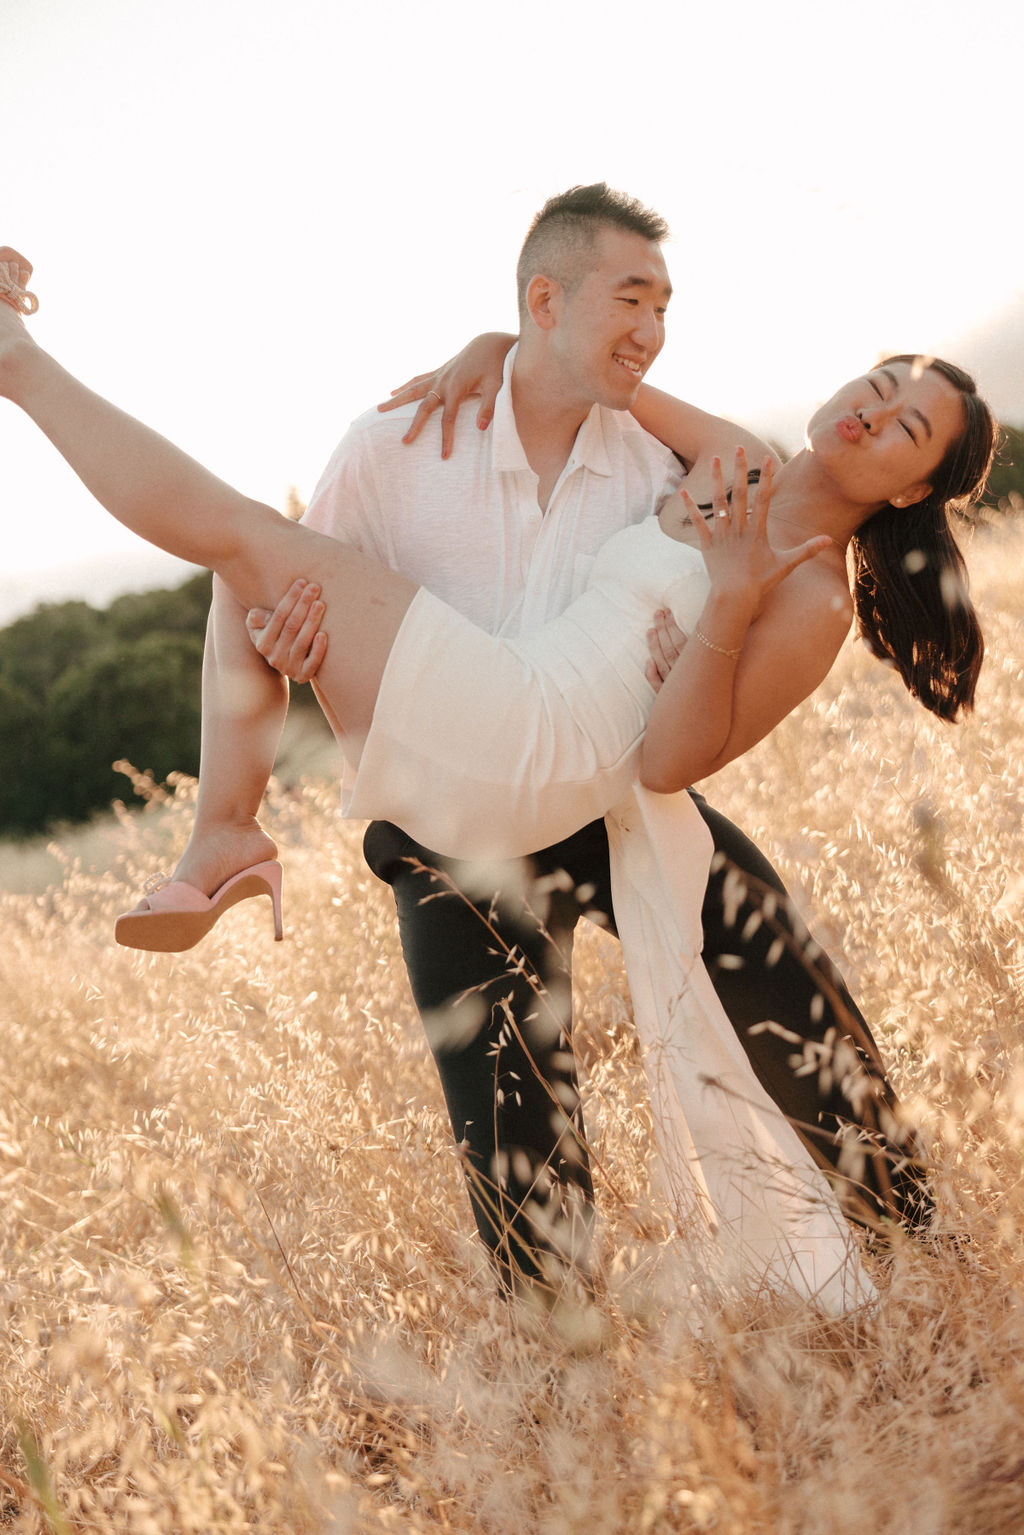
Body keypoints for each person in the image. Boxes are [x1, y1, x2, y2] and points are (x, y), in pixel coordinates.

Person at [0, 202, 992, 1302]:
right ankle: (229, 831)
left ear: (910, 490)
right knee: (252, 558)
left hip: (548, 741)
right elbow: (583, 374)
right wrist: (495, 347)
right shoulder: (732, 454)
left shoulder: (808, 595)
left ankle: (20, 365)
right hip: (494, 754)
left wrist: (724, 600)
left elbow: (667, 765)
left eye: (908, 426)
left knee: (243, 535)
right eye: (882, 379)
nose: (874, 407)